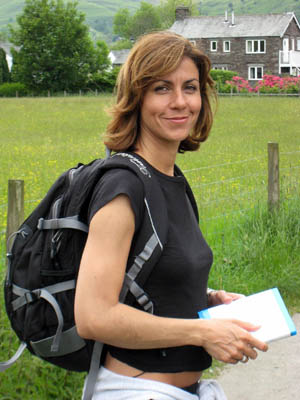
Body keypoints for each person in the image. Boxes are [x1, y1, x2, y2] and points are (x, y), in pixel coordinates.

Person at [74, 31, 268, 400]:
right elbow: (93, 315)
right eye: (162, 88)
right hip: (137, 391)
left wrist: (208, 301)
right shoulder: (122, 187)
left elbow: (147, 282)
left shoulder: (171, 180)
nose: (180, 102)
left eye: (190, 88)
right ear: (137, 98)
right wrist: (202, 333)